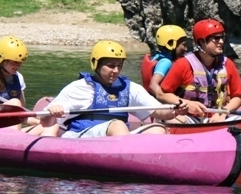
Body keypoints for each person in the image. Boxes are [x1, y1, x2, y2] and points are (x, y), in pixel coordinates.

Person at [38, 40, 185, 138]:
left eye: (119, 66)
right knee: (117, 125)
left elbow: (158, 111)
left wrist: (175, 110)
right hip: (80, 136)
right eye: (110, 65)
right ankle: (126, 162)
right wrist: (53, 111)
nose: (115, 70)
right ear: (96, 64)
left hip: (118, 138)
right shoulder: (80, 87)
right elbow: (45, 119)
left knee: (157, 128)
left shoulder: (130, 88)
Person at [159, 19, 241, 123]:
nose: (221, 41)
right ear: (201, 42)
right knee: (173, 121)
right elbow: (162, 94)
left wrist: (223, 112)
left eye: (222, 37)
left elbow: (238, 97)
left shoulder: (228, 64)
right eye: (216, 38)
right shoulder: (182, 64)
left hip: (218, 116)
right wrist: (186, 104)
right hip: (189, 117)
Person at [141, 25, 188, 103]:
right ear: (171, 44)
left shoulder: (157, 56)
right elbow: (153, 85)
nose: (186, 49)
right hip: (158, 103)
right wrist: (170, 99)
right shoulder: (166, 62)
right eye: (184, 45)